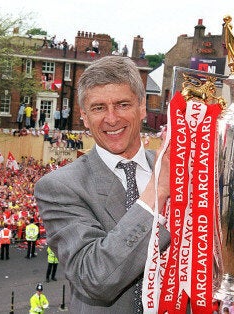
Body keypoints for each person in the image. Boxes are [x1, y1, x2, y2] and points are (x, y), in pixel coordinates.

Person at [35, 56, 171, 312]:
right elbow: (94, 277)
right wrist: (158, 191)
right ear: (84, 117)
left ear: (142, 108)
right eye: (98, 108)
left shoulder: (178, 171)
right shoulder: (59, 187)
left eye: (122, 104)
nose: (111, 118)